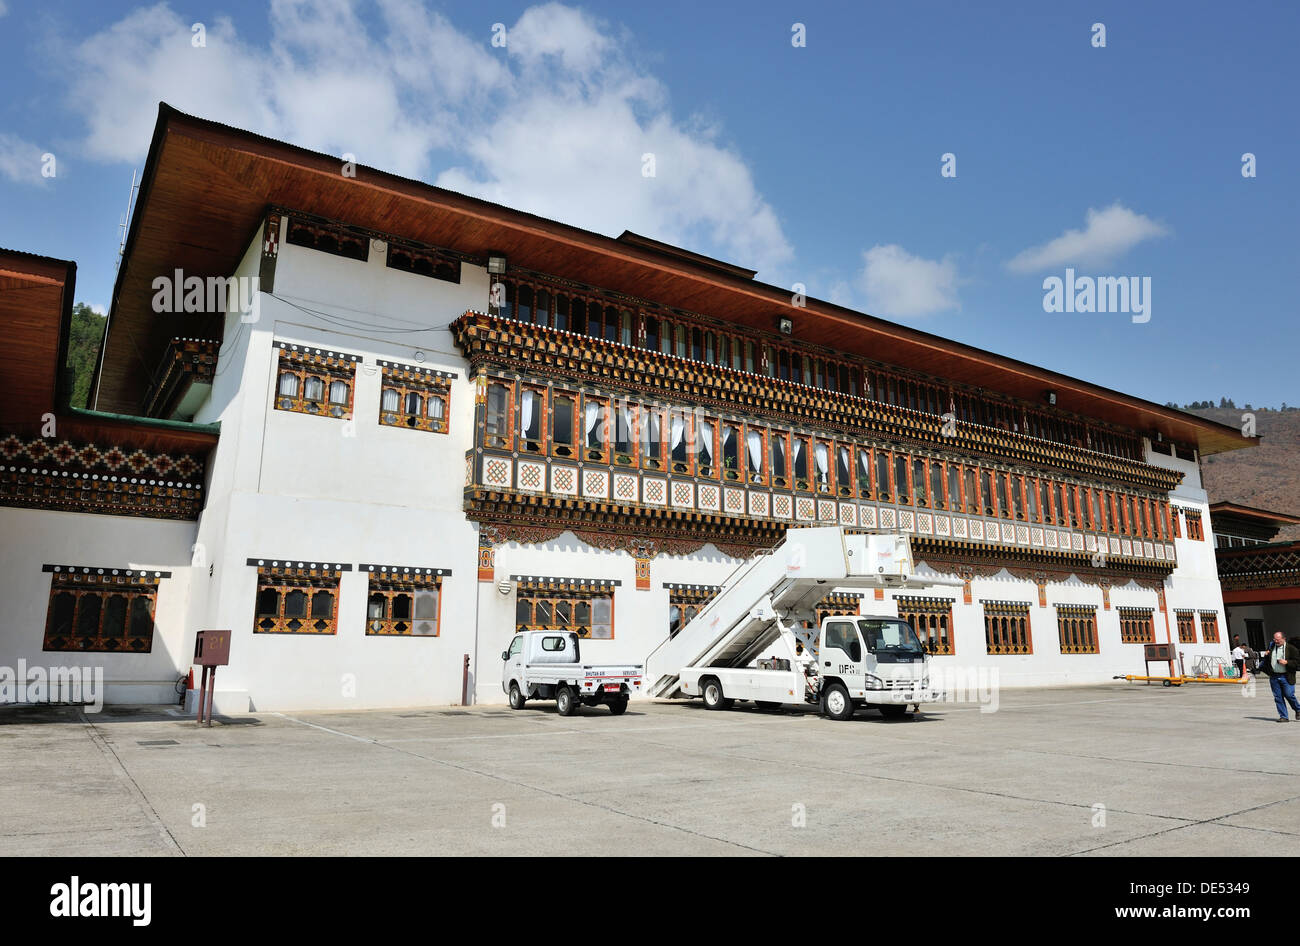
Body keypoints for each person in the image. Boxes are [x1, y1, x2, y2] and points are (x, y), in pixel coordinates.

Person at [1258, 631, 1300, 722]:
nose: (1276, 641)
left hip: (1286, 676)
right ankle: (1284, 716)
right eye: (1274, 639)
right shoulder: (1272, 647)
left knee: (1289, 695)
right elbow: (1267, 660)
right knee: (1278, 697)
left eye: (1278, 640)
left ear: (1284, 639)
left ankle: (1298, 709)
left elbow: (1297, 663)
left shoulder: (1292, 649)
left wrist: (1287, 662)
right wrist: (1266, 656)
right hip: (1274, 676)